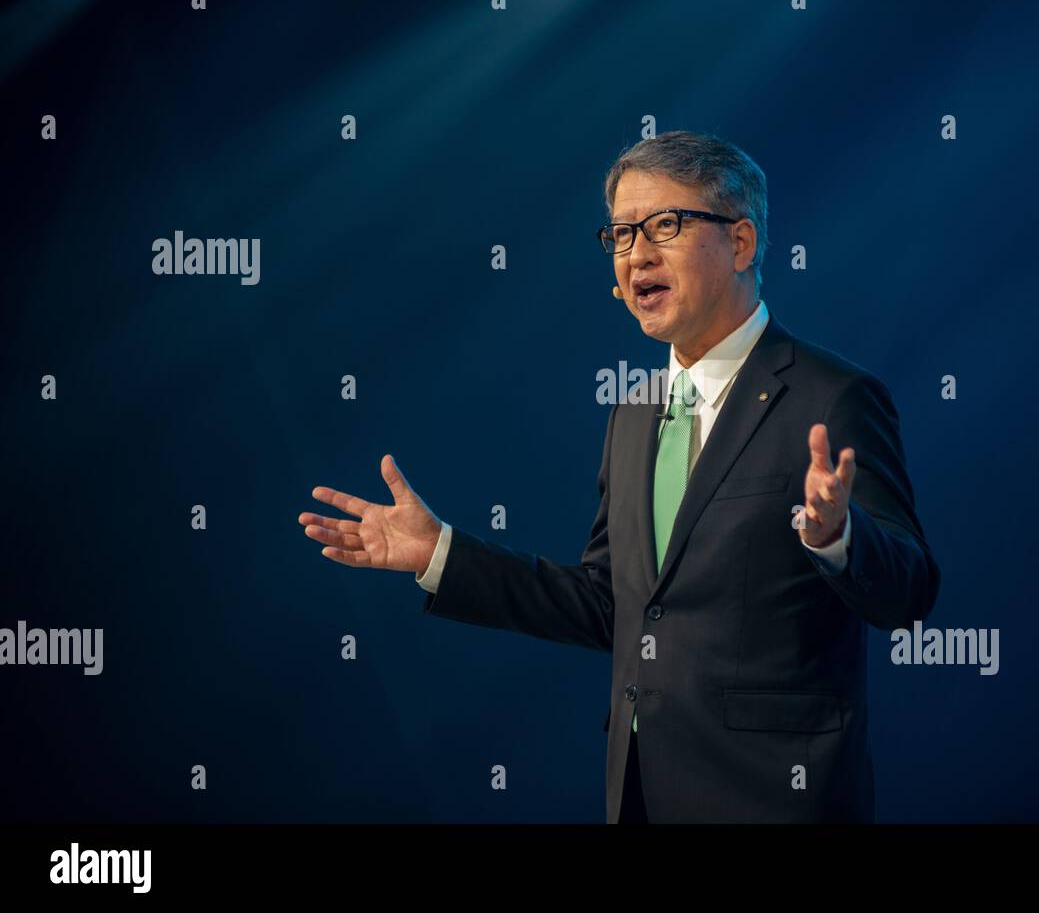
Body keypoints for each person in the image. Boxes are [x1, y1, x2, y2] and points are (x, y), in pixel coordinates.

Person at [298, 130, 941, 823]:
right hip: (641, 797)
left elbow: (908, 594)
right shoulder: (633, 415)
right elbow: (612, 604)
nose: (637, 254)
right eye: (622, 233)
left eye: (665, 224)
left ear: (742, 243)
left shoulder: (831, 397)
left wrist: (838, 535)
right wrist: (441, 554)